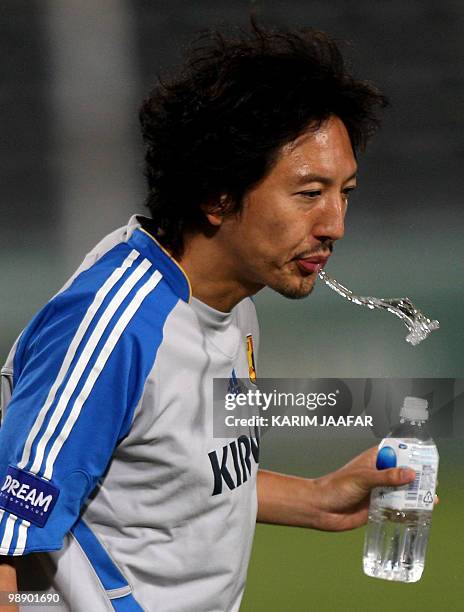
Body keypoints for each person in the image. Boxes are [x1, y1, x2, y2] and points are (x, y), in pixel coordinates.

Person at [0, 25, 418, 612]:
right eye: (308, 193)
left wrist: (318, 498)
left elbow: (172, 481)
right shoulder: (117, 326)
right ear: (218, 194)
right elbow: (12, 548)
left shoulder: (235, 300)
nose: (334, 224)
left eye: (343, 192)